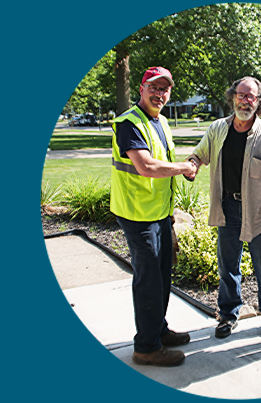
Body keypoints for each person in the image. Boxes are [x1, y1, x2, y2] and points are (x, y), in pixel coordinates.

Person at [110, 66, 197, 366]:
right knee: (148, 281)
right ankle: (146, 347)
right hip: (137, 215)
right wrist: (185, 168)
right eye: (154, 87)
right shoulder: (129, 123)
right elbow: (146, 166)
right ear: (142, 88)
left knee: (161, 276)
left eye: (165, 89)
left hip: (158, 214)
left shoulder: (159, 122)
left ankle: (157, 331)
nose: (159, 94)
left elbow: (162, 167)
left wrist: (170, 218)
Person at [187, 77, 261, 340]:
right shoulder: (218, 128)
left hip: (259, 211)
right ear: (232, 97)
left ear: (259, 101)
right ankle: (228, 316)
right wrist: (191, 165)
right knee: (228, 265)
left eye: (251, 96)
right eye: (241, 95)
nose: (245, 100)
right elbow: (200, 154)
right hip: (227, 207)